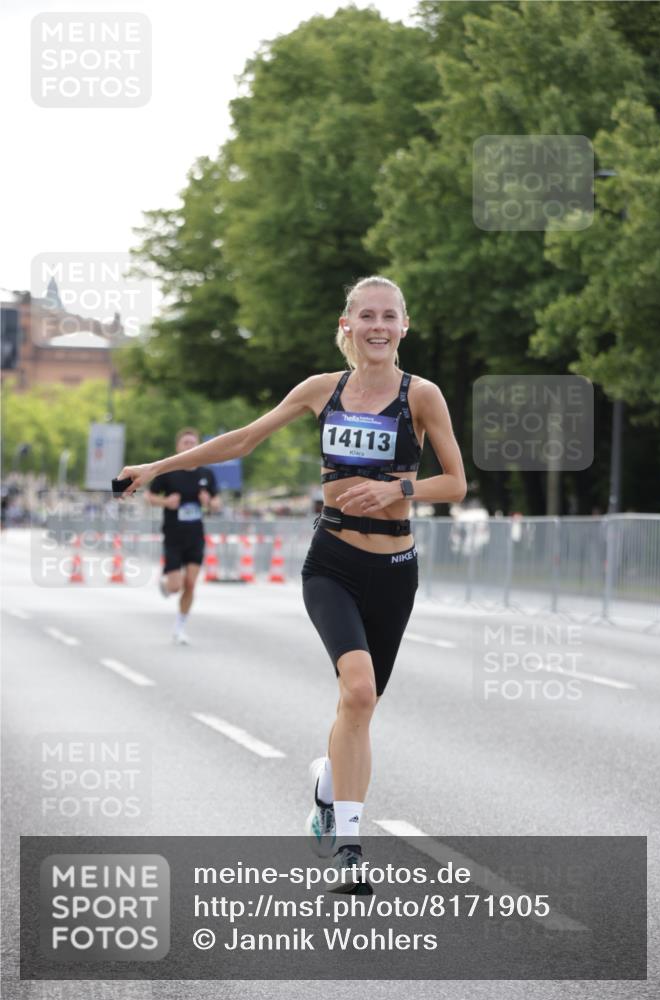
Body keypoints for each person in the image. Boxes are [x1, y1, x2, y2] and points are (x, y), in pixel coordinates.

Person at [117, 276, 466, 891]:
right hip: (332, 561)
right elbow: (243, 439)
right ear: (347, 325)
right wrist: (157, 467)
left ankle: (327, 788)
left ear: (404, 327)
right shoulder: (319, 391)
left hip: (394, 569)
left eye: (389, 316)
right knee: (356, 691)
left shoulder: (422, 396)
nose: (378, 325)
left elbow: (456, 484)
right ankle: (352, 849)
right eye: (366, 315)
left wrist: (398, 488)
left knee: (363, 705)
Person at [146, 428, 221, 644]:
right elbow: (149, 496)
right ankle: (166, 584)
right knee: (175, 587)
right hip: (173, 535)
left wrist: (209, 502)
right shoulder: (168, 471)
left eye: (193, 442)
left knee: (190, 584)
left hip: (195, 535)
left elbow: (217, 504)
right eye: (185, 443)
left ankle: (180, 627)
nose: (189, 446)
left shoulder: (206, 474)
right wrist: (165, 502)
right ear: (178, 447)